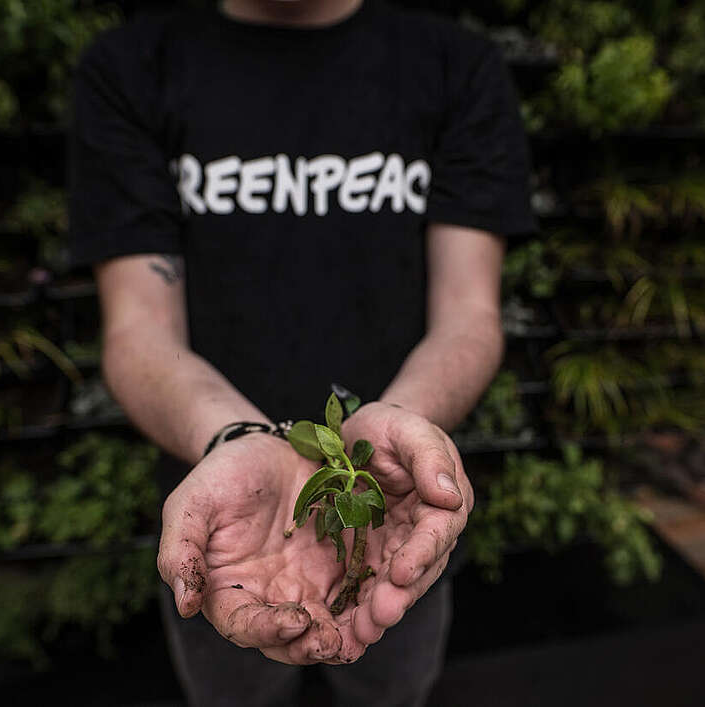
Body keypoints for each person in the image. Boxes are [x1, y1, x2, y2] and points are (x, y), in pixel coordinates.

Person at [68, 0, 535, 704]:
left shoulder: (454, 67)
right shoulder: (133, 67)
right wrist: (235, 436)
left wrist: (400, 431)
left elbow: (470, 311)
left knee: (391, 687)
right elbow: (137, 328)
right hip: (226, 524)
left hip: (393, 512)